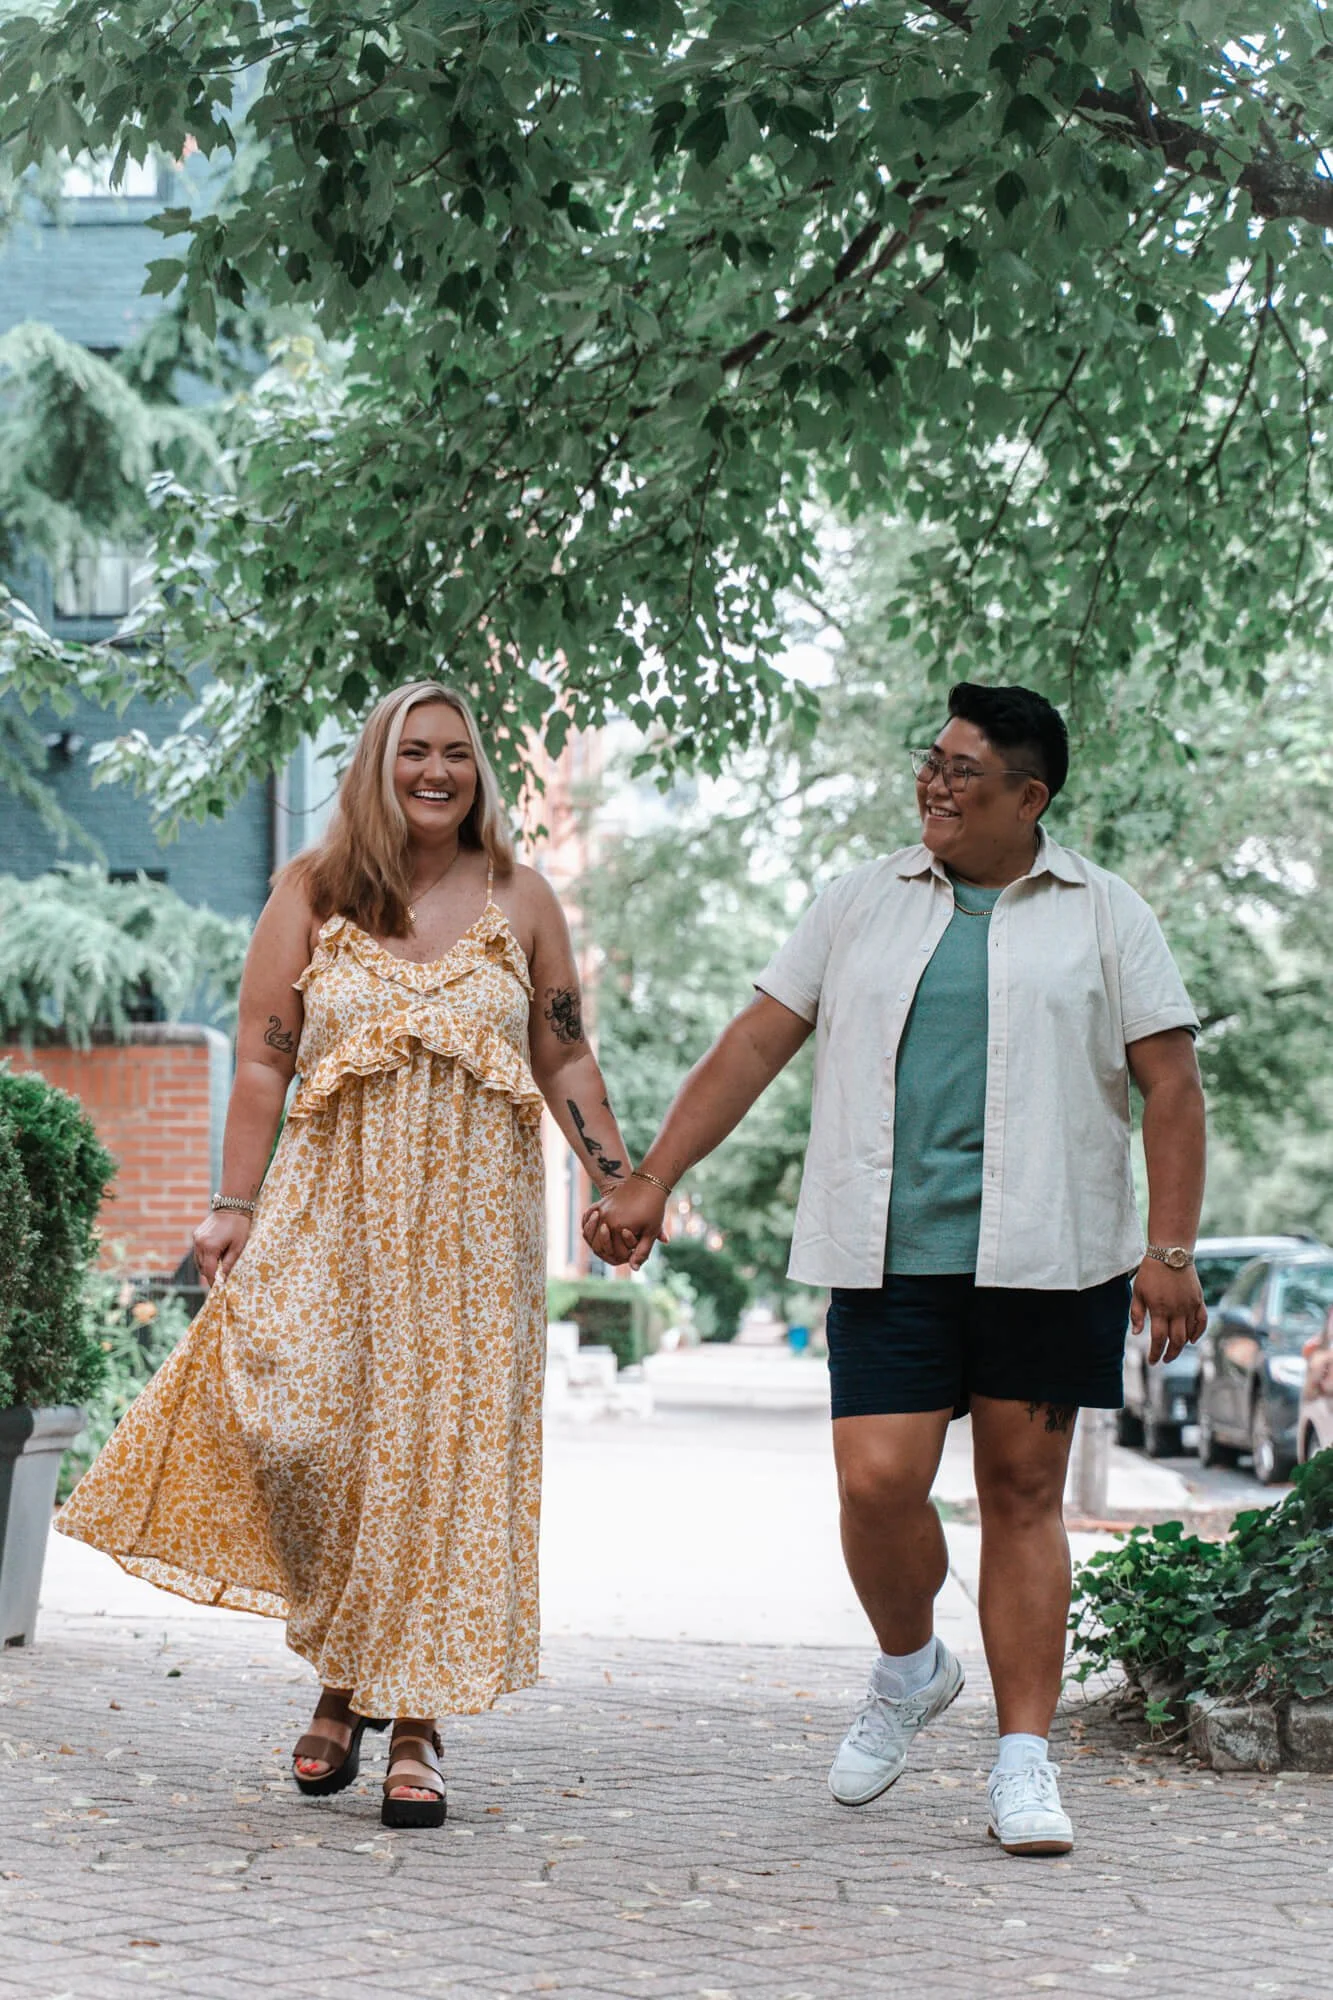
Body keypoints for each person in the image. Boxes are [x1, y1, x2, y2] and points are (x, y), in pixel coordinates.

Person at [585, 681, 1206, 1858]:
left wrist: (1167, 1249)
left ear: (1029, 796)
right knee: (876, 1483)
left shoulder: (1104, 912)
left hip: (1052, 1251)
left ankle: (1024, 1757)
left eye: (964, 769)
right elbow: (755, 1040)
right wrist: (653, 1176)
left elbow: (1171, 1083)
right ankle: (911, 1665)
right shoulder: (859, 900)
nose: (934, 782)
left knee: (1023, 1495)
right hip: (886, 1250)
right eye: (931, 760)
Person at [59, 680, 636, 1831]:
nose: (436, 771)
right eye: (413, 751)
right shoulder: (312, 890)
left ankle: (404, 1714)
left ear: (480, 773)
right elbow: (265, 1062)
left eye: (458, 754)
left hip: (474, 1225)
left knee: (439, 1460)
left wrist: (618, 1179)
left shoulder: (520, 898)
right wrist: (232, 1202)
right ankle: (342, 1665)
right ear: (374, 763)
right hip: (330, 1208)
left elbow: (563, 1056)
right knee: (311, 1432)